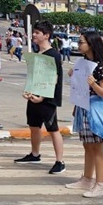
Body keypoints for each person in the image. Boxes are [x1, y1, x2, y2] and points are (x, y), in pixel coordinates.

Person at [64, 31, 103, 197]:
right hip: (83, 107)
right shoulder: (83, 63)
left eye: (81, 42)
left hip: (95, 109)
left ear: (91, 44)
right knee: (87, 145)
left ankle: (100, 184)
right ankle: (87, 179)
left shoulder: (100, 66)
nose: (79, 45)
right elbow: (79, 88)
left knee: (97, 147)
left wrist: (93, 83)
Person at [13, 21, 66, 174]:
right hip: (33, 96)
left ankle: (60, 161)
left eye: (37, 33)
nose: (34, 35)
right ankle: (35, 154)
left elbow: (53, 78)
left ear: (46, 35)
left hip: (47, 99)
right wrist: (28, 91)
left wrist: (42, 97)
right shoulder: (38, 54)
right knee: (34, 126)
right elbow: (34, 76)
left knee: (53, 129)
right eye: (34, 32)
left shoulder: (53, 55)